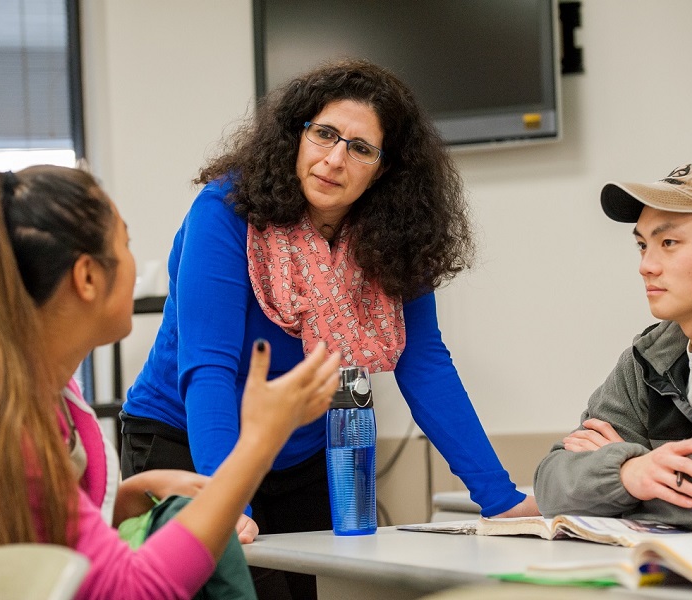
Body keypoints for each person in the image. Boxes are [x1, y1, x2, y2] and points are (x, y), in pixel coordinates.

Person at [120, 59, 537, 597]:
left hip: (301, 452)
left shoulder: (395, 237)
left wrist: (500, 498)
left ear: (383, 168)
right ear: (297, 134)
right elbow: (208, 369)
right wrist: (229, 500)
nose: (335, 159)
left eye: (361, 148)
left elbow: (424, 363)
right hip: (186, 439)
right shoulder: (225, 210)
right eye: (324, 134)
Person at [0, 165, 342, 600]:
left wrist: (121, 502)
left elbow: (31, 531)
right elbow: (129, 590)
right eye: (125, 244)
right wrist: (258, 444)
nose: (134, 263)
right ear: (87, 277)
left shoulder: (16, 370)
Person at [533, 162, 692, 532]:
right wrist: (630, 471)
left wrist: (618, 478)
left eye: (668, 243)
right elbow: (550, 485)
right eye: (642, 245)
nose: (646, 266)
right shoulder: (650, 356)